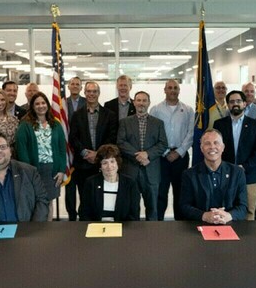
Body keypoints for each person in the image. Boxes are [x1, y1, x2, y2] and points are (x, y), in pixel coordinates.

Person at [69, 81, 117, 220]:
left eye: (94, 91)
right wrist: (85, 153)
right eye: (88, 91)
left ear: (98, 93)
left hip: (103, 164)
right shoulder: (77, 115)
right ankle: (84, 224)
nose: (91, 94)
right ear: (85, 93)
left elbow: (112, 136)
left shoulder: (109, 115)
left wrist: (98, 154)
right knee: (85, 198)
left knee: (101, 196)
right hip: (83, 164)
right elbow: (73, 138)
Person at [15, 92, 66, 221]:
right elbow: (22, 150)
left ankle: (48, 230)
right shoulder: (25, 125)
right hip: (34, 170)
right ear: (32, 106)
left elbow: (61, 149)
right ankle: (35, 232)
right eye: (37, 103)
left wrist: (61, 170)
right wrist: (28, 171)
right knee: (34, 202)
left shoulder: (55, 124)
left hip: (52, 171)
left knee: (48, 202)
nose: (40, 106)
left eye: (43, 103)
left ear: (47, 105)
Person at [214, 90, 256, 220]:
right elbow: (216, 150)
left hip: (249, 175)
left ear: (245, 104)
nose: (235, 104)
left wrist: (244, 167)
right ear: (228, 105)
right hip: (225, 174)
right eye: (231, 102)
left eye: (238, 101)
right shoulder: (219, 124)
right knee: (225, 210)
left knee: (249, 211)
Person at [118, 91, 168, 221]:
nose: (141, 103)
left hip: (151, 171)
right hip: (130, 171)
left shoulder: (158, 123)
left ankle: (152, 237)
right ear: (134, 102)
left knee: (152, 208)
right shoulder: (124, 122)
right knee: (132, 207)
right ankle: (134, 238)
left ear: (149, 103)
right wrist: (139, 156)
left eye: (144, 100)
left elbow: (163, 144)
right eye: (138, 100)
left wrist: (147, 155)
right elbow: (121, 142)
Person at [180, 129, 248, 223]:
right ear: (201, 148)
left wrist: (228, 216)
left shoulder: (237, 173)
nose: (212, 147)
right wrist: (204, 216)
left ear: (223, 147)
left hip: (230, 225)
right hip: (199, 227)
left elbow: (243, 207)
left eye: (216, 143)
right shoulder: (189, 175)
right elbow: (184, 207)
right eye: (207, 143)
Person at [150, 79, 194, 220]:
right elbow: (153, 134)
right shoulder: (156, 110)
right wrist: (165, 152)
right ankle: (158, 223)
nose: (173, 90)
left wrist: (179, 151)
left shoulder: (188, 110)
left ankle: (180, 223)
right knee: (161, 192)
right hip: (161, 157)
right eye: (170, 88)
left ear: (179, 90)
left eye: (175, 88)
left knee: (180, 191)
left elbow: (191, 133)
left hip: (181, 157)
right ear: (165, 90)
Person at [79, 144, 140, 221]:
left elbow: (134, 214)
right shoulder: (91, 183)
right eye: (105, 163)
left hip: (123, 228)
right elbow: (84, 213)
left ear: (117, 163)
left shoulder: (130, 183)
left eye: (112, 161)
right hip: (96, 228)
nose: (109, 166)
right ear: (100, 166)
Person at [64, 76, 85, 220]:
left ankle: (83, 214)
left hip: (82, 151)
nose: (75, 86)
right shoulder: (61, 104)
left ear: (81, 87)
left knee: (84, 187)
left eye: (78, 84)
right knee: (69, 189)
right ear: (68, 86)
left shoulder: (87, 102)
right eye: (73, 84)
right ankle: (71, 215)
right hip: (67, 152)